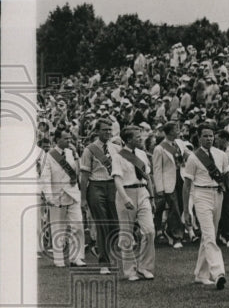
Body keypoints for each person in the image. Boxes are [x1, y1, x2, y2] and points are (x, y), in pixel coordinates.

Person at [182, 123, 229, 289]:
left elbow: (228, 177)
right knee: (209, 234)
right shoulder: (193, 158)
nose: (208, 139)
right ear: (199, 137)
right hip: (201, 195)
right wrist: (186, 210)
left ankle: (200, 275)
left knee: (210, 236)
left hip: (219, 194)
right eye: (205, 136)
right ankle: (218, 273)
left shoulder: (221, 155)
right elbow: (186, 186)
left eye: (211, 135)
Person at [112, 125, 156, 281]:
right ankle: (130, 271)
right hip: (126, 192)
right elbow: (117, 179)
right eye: (138, 137)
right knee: (126, 234)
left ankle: (145, 267)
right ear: (129, 140)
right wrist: (125, 198)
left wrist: (151, 197)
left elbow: (147, 176)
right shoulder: (118, 156)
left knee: (149, 230)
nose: (141, 139)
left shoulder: (142, 154)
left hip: (142, 192)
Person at [38, 127, 87, 268]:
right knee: (57, 227)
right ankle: (58, 259)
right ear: (57, 139)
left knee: (77, 225)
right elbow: (45, 178)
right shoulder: (49, 156)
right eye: (66, 138)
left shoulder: (72, 153)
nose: (69, 141)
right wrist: (49, 196)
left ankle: (76, 257)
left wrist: (75, 171)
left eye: (70, 138)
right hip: (57, 196)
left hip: (72, 193)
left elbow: (77, 171)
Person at [77, 118, 119, 274]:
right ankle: (104, 263)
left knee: (115, 225)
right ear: (97, 131)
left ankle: (98, 247)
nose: (108, 132)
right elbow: (84, 175)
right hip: (96, 187)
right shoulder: (89, 150)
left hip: (112, 186)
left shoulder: (116, 148)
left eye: (110, 129)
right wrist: (82, 198)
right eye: (104, 129)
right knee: (102, 224)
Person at [151, 122, 186, 248]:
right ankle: (177, 236)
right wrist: (159, 188)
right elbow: (157, 169)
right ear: (169, 131)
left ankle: (170, 230)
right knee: (174, 208)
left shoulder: (179, 143)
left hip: (181, 178)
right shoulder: (159, 148)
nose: (178, 130)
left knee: (181, 206)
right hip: (168, 181)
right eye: (176, 128)